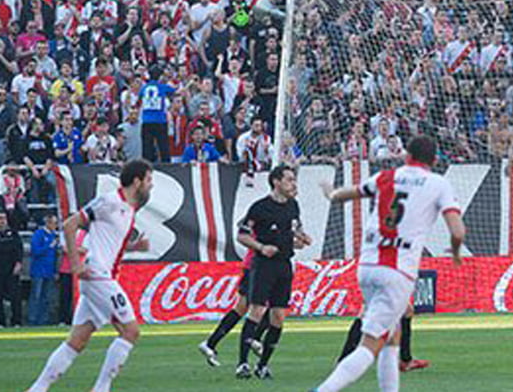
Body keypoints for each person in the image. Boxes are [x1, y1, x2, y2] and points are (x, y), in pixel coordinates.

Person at [312, 135, 466, 392]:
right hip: (397, 271)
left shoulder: (385, 176)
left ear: (407, 156)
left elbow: (342, 195)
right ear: (435, 160)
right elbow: (458, 231)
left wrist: (329, 190)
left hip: (368, 266)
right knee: (370, 344)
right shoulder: (438, 184)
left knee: (392, 336)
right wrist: (456, 251)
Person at [26, 159, 155, 392]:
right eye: (148, 180)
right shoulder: (109, 201)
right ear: (136, 181)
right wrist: (76, 264)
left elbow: (109, 244)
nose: (151, 185)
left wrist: (135, 247)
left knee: (77, 340)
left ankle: (37, 389)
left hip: (100, 275)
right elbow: (69, 224)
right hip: (97, 274)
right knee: (131, 331)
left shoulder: (128, 209)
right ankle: (101, 389)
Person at [233, 164, 312, 380]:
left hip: (285, 264)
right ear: (276, 182)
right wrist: (260, 247)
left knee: (278, 316)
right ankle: (242, 363)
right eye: (288, 179)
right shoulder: (260, 207)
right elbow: (242, 235)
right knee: (256, 310)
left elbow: (294, 230)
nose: (293, 183)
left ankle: (263, 365)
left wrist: (301, 239)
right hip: (263, 264)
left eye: (293, 179)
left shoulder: (293, 206)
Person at [197, 250, 267, 367]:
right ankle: (253, 343)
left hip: (262, 267)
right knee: (262, 308)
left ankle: (211, 343)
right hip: (257, 267)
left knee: (243, 308)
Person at [337, 304, 428, 373]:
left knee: (407, 310)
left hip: (376, 279)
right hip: (384, 280)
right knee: (366, 312)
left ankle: (405, 359)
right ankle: (405, 360)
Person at [0, 211, 24, 327]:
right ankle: (1, 322)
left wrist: (18, 262)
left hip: (12, 269)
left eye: (3, 218)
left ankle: (16, 321)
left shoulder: (13, 234)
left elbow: (18, 248)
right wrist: (8, 246)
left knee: (15, 296)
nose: (1, 221)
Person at [28, 214, 60, 325]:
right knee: (36, 296)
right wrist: (48, 246)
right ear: (48, 223)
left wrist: (55, 271)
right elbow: (35, 251)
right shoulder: (39, 234)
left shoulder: (53, 236)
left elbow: (55, 256)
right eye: (54, 223)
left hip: (49, 271)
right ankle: (33, 320)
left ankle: (44, 320)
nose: (55, 226)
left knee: (46, 297)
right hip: (38, 270)